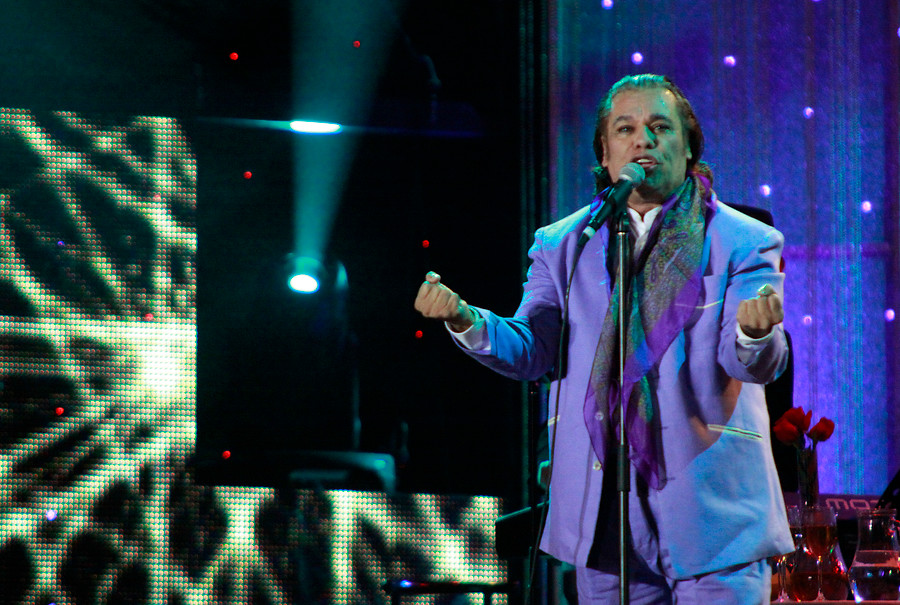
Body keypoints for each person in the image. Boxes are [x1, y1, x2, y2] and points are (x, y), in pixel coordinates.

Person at [414, 74, 793, 604]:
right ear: (605, 153)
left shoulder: (744, 240)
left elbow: (751, 364)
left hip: (712, 512)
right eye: (626, 129)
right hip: (604, 514)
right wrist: (465, 319)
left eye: (661, 127)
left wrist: (755, 333)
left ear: (689, 147)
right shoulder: (563, 243)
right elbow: (533, 347)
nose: (643, 141)